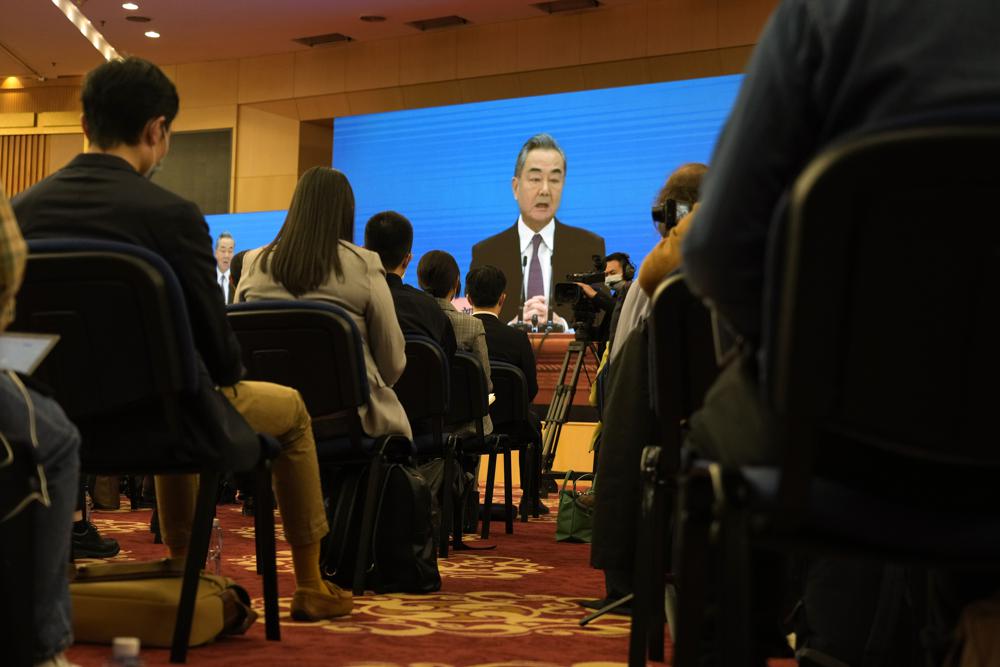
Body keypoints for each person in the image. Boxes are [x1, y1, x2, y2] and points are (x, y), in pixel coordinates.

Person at [680, 0, 1000, 662]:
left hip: (834, 437)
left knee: (712, 436)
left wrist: (796, 361)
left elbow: (716, 251)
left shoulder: (826, 15)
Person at [13, 56, 352, 622]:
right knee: (284, 411)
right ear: (155, 130)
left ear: (85, 125)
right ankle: (310, 584)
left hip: (42, 424)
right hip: (163, 426)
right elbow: (221, 361)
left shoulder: (19, 213)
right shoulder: (172, 215)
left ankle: (184, 568)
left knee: (175, 389)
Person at [237, 168, 412, 440]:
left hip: (270, 421)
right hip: (346, 424)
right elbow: (392, 365)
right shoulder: (363, 264)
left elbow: (236, 350)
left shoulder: (254, 263)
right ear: (346, 211)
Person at [0, 188, 82, 667]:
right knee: (53, 437)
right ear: (157, 131)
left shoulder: (34, 200)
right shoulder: (173, 216)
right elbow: (6, 263)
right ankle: (42, 646)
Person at [470, 133, 605, 325]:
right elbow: (478, 320)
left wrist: (564, 328)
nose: (545, 190)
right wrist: (510, 330)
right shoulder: (486, 253)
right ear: (515, 188)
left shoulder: (589, 246)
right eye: (535, 179)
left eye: (554, 180)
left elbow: (604, 317)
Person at [363, 210, 457, 358]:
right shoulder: (430, 309)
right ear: (407, 259)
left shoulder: (349, 301)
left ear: (364, 251)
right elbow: (447, 361)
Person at [417, 250, 492, 435]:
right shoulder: (472, 326)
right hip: (463, 428)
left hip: (416, 424)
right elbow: (485, 386)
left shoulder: (409, 319)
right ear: (456, 282)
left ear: (420, 281)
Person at [466, 265, 538, 403]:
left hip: (469, 421)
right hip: (510, 422)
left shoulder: (456, 335)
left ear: (469, 299)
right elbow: (530, 391)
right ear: (502, 299)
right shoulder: (518, 339)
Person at [215, 231, 235, 304]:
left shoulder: (238, 280)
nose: (226, 255)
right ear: (216, 253)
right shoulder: (208, 279)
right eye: (223, 251)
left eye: (230, 251)